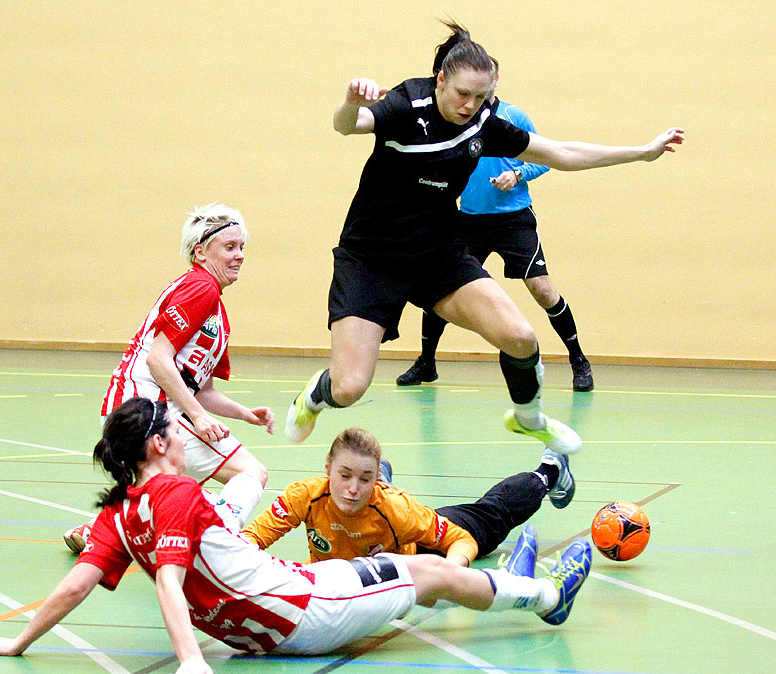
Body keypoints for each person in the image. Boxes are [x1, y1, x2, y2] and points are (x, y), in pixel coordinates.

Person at [0, 398, 593, 674]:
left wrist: (20, 641)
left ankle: (510, 582)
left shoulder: (122, 515)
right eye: (176, 426)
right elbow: (168, 580)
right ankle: (543, 596)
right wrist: (188, 658)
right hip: (303, 612)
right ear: (158, 444)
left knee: (411, 571)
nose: (184, 432)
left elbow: (77, 584)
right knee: (425, 571)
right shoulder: (178, 496)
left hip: (270, 619)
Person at [285, 21, 682, 453]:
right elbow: (350, 125)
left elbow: (561, 153)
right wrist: (349, 101)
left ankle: (528, 419)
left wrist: (642, 152)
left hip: (438, 254)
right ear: (440, 80)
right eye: (462, 94)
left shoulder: (483, 124)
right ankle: (314, 396)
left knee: (521, 338)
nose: (470, 106)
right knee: (349, 388)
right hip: (371, 259)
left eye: (480, 97)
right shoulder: (406, 103)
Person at [63, 203, 274, 554]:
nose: (239, 256)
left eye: (241, 248)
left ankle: (103, 531)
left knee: (175, 487)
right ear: (201, 251)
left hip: (150, 409)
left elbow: (199, 388)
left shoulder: (215, 310)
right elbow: (158, 359)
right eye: (229, 247)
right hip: (144, 410)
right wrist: (198, 417)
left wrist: (244, 413)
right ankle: (217, 540)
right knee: (247, 474)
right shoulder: (200, 287)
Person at [397, 61, 594, 392]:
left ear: (494, 82)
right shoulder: (457, 120)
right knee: (441, 291)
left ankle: (579, 361)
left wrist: (517, 174)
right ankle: (426, 362)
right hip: (469, 219)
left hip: (513, 219)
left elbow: (547, 159)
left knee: (543, 290)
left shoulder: (512, 117)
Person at [243, 427, 575, 568]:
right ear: (328, 468)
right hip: (343, 580)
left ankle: (549, 471)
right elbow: (249, 540)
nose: (352, 488)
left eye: (365, 479)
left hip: (411, 552)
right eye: (344, 476)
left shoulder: (397, 509)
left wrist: (451, 569)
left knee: (490, 519)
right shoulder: (305, 497)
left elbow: (460, 540)